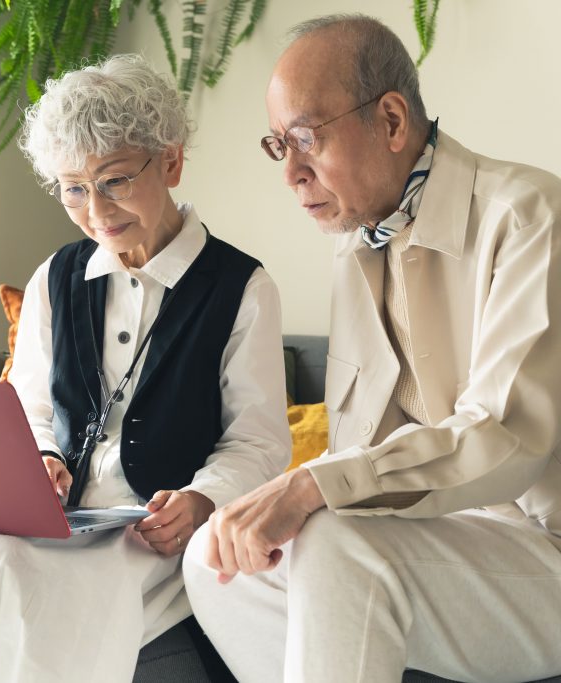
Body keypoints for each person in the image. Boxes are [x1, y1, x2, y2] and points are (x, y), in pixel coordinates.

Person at [0, 54, 290, 682]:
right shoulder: (57, 276)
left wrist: (203, 499)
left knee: (36, 610)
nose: (95, 209)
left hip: (146, 536)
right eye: (74, 187)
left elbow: (258, 440)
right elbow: (29, 408)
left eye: (115, 180)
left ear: (171, 161)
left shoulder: (243, 288)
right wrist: (39, 459)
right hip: (53, 521)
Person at [183, 14, 561, 683]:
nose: (292, 173)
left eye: (305, 138)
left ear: (391, 121)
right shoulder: (358, 243)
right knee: (212, 560)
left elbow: (506, 438)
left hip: (545, 549)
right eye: (279, 146)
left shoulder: (528, 213)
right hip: (452, 544)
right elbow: (363, 440)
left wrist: (311, 484)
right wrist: (264, 504)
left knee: (335, 542)